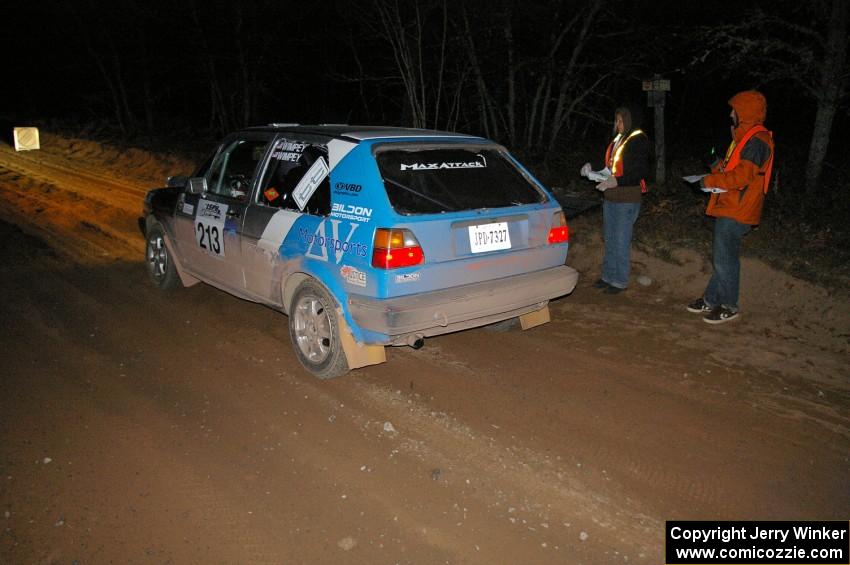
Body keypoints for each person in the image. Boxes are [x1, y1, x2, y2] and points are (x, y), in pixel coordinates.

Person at [687, 90, 774, 324]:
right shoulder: (744, 139)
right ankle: (711, 299)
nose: (730, 113)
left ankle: (729, 305)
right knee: (722, 258)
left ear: (744, 111)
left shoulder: (757, 141)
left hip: (739, 209)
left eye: (734, 109)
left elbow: (741, 179)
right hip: (731, 205)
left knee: (725, 260)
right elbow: (730, 174)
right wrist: (714, 164)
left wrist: (707, 181)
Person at [580, 105, 652, 294]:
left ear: (629, 120)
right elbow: (608, 164)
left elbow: (640, 171)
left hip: (627, 198)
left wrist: (616, 181)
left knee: (621, 240)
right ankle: (608, 276)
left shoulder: (638, 140)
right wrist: (591, 167)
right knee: (610, 238)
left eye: (620, 120)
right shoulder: (619, 140)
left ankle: (619, 280)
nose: (617, 124)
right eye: (616, 120)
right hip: (611, 197)